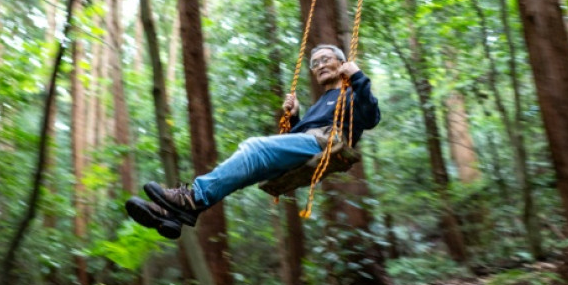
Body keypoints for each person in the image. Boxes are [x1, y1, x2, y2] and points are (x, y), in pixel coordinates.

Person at [125, 44, 381, 239]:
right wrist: (294, 118)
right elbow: (299, 137)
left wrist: (358, 76)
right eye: (315, 63)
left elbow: (371, 118)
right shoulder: (320, 104)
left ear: (342, 63)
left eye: (326, 59)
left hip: (328, 143)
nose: (320, 65)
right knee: (244, 170)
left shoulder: (352, 93)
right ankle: (177, 215)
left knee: (254, 147)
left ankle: (191, 197)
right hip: (309, 145)